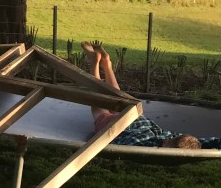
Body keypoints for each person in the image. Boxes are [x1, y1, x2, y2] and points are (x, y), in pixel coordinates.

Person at [83, 41, 221, 149]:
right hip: (118, 126)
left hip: (137, 118)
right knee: (98, 106)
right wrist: (95, 138)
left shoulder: (167, 136)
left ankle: (106, 65)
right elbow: (116, 141)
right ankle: (94, 64)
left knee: (119, 98)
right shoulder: (143, 144)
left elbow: (208, 142)